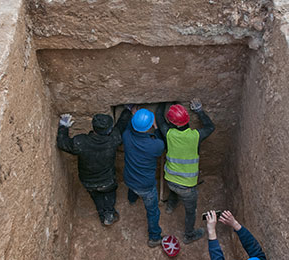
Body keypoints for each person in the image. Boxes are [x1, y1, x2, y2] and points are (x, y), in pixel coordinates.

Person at [56, 107, 133, 226]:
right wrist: (127, 110)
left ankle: (103, 215)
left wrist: (63, 127)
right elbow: (121, 125)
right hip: (107, 182)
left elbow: (62, 143)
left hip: (88, 181)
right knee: (110, 196)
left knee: (97, 198)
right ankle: (109, 213)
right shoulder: (113, 139)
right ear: (109, 130)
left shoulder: (80, 142)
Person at [155, 99, 214, 244]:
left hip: (170, 179)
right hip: (187, 186)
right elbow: (210, 127)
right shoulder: (195, 136)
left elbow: (158, 116)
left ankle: (170, 205)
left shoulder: (168, 133)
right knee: (190, 211)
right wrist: (199, 110)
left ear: (172, 123)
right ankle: (189, 235)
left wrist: (164, 99)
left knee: (175, 190)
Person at [122, 107, 166, 247]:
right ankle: (154, 237)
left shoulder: (126, 137)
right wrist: (157, 128)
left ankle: (132, 199)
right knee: (152, 211)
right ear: (149, 127)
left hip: (129, 178)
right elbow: (161, 143)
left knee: (133, 189)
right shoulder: (156, 146)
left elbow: (130, 128)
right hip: (146, 186)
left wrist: (133, 116)